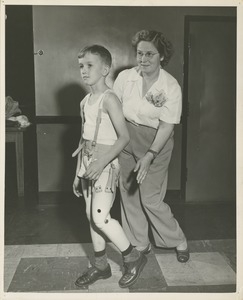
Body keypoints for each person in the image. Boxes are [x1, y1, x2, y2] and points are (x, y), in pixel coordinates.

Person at [72, 45, 147, 289]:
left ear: (105, 69)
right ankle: (101, 265)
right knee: (89, 217)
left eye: (89, 65)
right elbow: (83, 140)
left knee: (100, 216)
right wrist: (77, 172)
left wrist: (102, 162)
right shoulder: (85, 101)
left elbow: (124, 137)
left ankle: (132, 257)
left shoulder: (110, 99)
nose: (83, 70)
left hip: (105, 165)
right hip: (87, 165)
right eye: (81, 66)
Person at [113, 30, 189, 262]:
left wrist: (149, 155)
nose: (143, 59)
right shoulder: (125, 78)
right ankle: (140, 243)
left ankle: (177, 239)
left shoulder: (170, 86)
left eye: (150, 54)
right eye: (139, 54)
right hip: (127, 137)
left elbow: (166, 127)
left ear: (162, 57)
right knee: (128, 194)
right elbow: (113, 110)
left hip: (157, 141)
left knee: (150, 198)